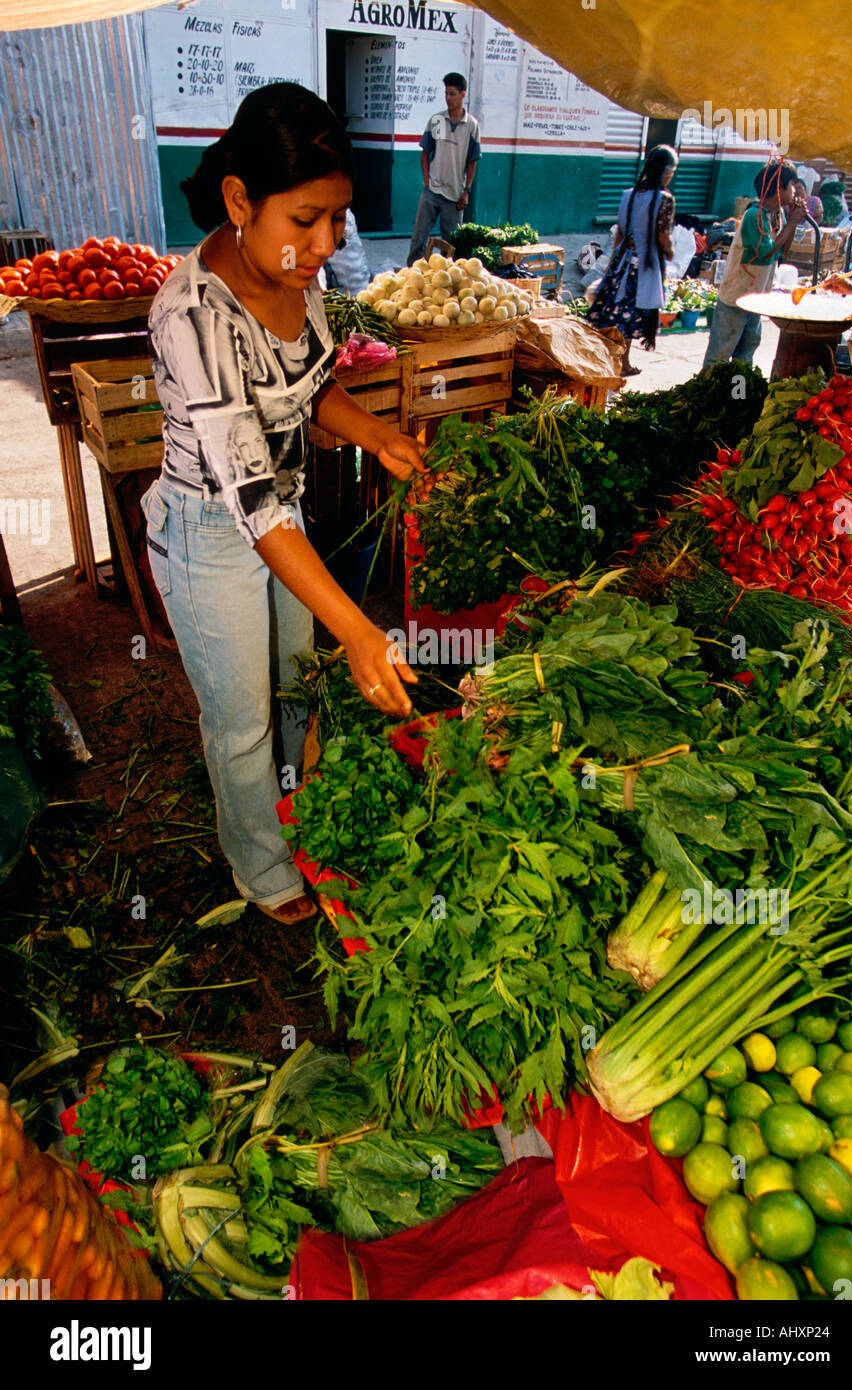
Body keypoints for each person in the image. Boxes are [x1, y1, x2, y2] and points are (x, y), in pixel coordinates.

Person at [142, 83, 426, 926]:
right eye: (306, 219)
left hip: (282, 523)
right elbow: (251, 494)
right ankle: (262, 870)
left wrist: (375, 434)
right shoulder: (191, 316)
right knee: (241, 723)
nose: (325, 242)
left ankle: (296, 814)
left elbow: (309, 391)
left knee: (296, 691)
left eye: (337, 219)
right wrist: (361, 629)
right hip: (211, 531)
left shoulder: (299, 281)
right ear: (240, 200)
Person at [703, 160, 806, 368]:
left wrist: (792, 222)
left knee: (746, 351)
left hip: (756, 298)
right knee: (721, 352)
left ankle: (737, 394)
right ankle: (709, 395)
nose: (795, 190)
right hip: (736, 298)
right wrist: (793, 222)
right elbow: (766, 251)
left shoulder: (778, 215)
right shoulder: (754, 216)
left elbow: (783, 250)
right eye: (792, 185)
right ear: (779, 189)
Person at [585, 144, 678, 376]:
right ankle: (620, 363)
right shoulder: (664, 199)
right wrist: (671, 252)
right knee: (631, 314)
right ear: (667, 171)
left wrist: (610, 264)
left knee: (615, 311)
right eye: (672, 171)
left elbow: (619, 233)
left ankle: (616, 360)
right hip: (644, 267)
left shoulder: (629, 195)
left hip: (622, 262)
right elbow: (662, 236)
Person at [406, 73, 481, 267]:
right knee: (418, 239)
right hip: (432, 190)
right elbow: (425, 153)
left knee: (451, 245)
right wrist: (426, 182)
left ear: (463, 94)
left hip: (454, 195)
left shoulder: (472, 125)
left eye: (452, 94)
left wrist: (467, 191)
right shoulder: (437, 120)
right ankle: (411, 274)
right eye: (446, 93)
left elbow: (472, 161)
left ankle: (446, 281)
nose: (448, 98)